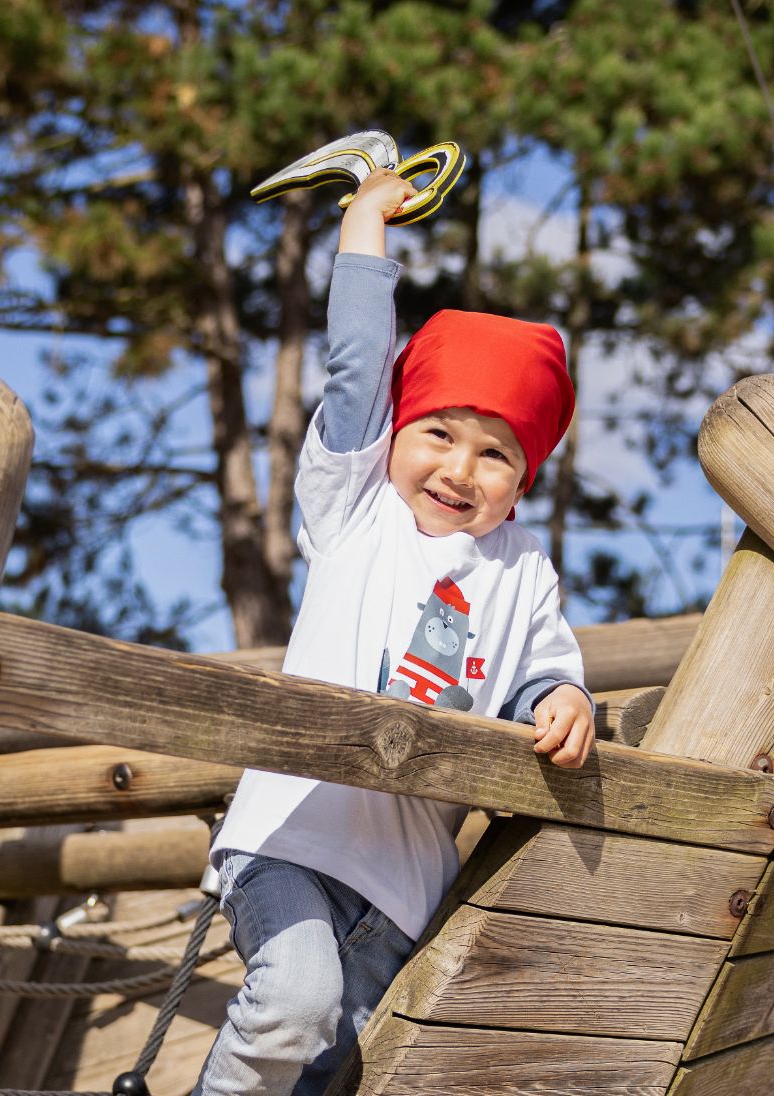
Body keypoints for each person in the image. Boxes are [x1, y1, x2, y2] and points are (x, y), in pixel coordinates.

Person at [192, 169, 595, 1096]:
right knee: (292, 1002)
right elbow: (356, 365)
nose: (460, 468)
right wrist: (366, 225)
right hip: (294, 839)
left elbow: (541, 668)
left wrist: (563, 699)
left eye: (496, 453)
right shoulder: (357, 508)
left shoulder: (522, 566)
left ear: (524, 477)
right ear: (397, 432)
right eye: (439, 434)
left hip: (404, 886)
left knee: (327, 1070)